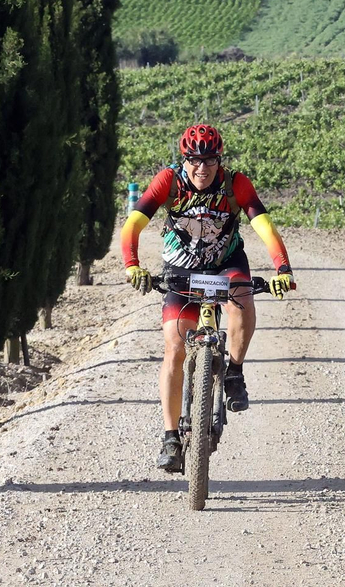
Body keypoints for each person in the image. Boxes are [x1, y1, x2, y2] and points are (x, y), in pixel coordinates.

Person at [121, 123, 297, 472]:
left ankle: (234, 372)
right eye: (194, 161)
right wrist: (132, 266)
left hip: (225, 263)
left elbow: (265, 226)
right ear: (184, 159)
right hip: (180, 268)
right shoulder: (169, 181)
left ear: (220, 160)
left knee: (242, 296)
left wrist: (283, 269)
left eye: (210, 161)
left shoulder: (236, 184)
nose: (202, 168)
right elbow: (133, 225)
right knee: (174, 348)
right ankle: (170, 437)